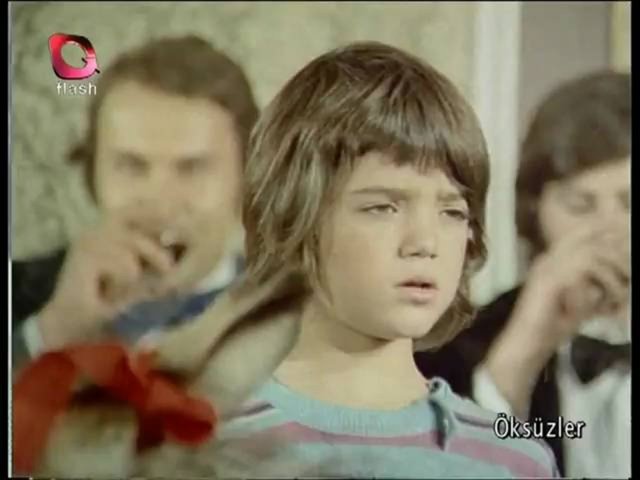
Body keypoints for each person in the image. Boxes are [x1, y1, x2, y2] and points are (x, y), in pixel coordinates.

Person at [14, 41, 558, 478]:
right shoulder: (197, 444)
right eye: (383, 207)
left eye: (452, 212)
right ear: (298, 216)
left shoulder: (517, 458)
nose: (425, 241)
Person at [414, 71, 631, 478]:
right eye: (580, 206)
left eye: (629, 203)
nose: (609, 231)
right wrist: (518, 359)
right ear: (535, 213)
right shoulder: (451, 352)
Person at [11, 35, 259, 365]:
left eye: (192, 168)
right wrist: (52, 332)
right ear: (91, 175)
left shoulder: (308, 319)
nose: (160, 204)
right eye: (131, 166)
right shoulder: (17, 291)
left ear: (247, 177)